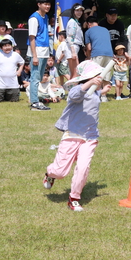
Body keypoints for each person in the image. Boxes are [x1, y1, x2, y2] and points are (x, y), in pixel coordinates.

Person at [43, 61, 110, 212]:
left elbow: (93, 95)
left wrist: (103, 90)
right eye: (96, 77)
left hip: (90, 137)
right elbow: (75, 94)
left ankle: (74, 198)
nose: (100, 79)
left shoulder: (94, 92)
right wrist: (90, 83)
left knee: (83, 168)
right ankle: (50, 174)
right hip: (72, 134)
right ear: (89, 78)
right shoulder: (77, 91)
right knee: (60, 172)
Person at [28, 0, 53, 111]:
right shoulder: (34, 18)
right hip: (37, 51)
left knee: (39, 77)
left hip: (44, 51)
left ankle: (36, 99)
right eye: (45, 4)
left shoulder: (46, 17)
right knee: (35, 77)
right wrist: (35, 56)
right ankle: (34, 102)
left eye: (48, 4)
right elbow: (32, 38)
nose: (47, 6)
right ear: (39, 4)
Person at [84, 16, 114, 102]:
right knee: (106, 76)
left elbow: (89, 47)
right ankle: (104, 97)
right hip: (109, 54)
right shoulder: (105, 29)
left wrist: (88, 57)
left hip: (97, 54)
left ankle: (96, 95)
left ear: (89, 24)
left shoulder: (88, 31)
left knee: (96, 76)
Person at [66, 4, 85, 78]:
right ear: (73, 11)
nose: (79, 12)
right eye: (77, 10)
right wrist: (73, 52)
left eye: (81, 11)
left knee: (75, 73)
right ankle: (73, 89)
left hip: (76, 47)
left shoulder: (77, 22)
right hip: (72, 47)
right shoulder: (72, 22)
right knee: (75, 73)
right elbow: (70, 37)